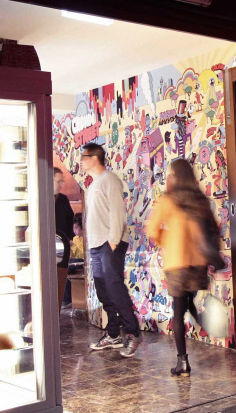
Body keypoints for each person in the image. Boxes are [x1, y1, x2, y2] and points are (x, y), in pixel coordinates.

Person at [145, 158, 217, 377]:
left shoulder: (169, 200)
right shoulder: (200, 199)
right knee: (188, 300)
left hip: (177, 262)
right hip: (198, 263)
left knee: (178, 311)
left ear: (175, 177)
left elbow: (152, 230)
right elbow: (212, 228)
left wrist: (165, 240)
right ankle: (197, 314)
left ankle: (182, 362)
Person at [80, 142, 142, 358]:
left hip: (109, 244)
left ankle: (133, 333)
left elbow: (117, 212)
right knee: (103, 291)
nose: (81, 161)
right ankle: (113, 334)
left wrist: (113, 242)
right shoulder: (92, 185)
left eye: (84, 157)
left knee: (115, 290)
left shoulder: (110, 180)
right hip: (96, 246)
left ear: (94, 157)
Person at [53, 167, 75, 309]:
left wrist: (70, 238)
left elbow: (70, 220)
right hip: (43, 246)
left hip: (61, 246)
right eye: (59, 181)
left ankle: (57, 307)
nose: (61, 184)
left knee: (60, 276)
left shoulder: (63, 199)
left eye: (62, 181)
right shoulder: (39, 198)